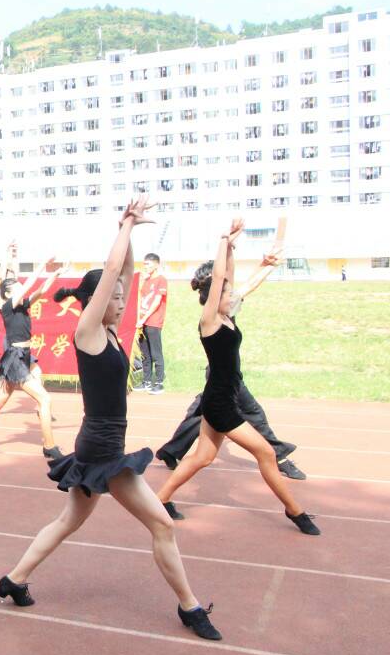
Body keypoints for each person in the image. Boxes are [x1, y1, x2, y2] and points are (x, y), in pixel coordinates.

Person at [0, 197, 222, 642]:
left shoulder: (113, 332)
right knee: (162, 524)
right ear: (96, 302)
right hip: (102, 449)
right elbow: (114, 268)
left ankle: (14, 579)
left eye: (121, 297)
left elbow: (125, 272)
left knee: (68, 521)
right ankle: (190, 607)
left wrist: (129, 234)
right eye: (113, 297)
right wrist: (126, 226)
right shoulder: (88, 331)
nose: (121, 301)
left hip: (97, 444)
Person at [154, 220, 318, 536]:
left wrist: (233, 248)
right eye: (227, 293)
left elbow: (230, 277)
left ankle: (161, 499)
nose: (233, 294)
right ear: (215, 296)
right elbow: (220, 277)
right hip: (219, 402)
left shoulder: (228, 316)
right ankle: (295, 511)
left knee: (203, 457)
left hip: (223, 395)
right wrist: (222, 239)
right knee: (266, 453)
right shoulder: (210, 320)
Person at [155, 248, 305, 480]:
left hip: (223, 376)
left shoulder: (228, 308)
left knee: (201, 414)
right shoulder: (212, 316)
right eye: (222, 283)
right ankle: (279, 456)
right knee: (252, 412)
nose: (228, 287)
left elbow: (247, 285)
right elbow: (234, 281)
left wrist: (266, 266)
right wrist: (228, 245)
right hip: (222, 377)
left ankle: (171, 450)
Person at [0, 249, 64, 456]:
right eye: (17, 288)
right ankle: (49, 446)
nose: (22, 288)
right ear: (8, 295)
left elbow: (41, 290)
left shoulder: (22, 306)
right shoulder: (8, 307)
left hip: (24, 356)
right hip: (15, 359)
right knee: (45, 399)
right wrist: (42, 263)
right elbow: (30, 285)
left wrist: (55, 274)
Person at [133, 252, 167, 394]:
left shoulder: (161, 280)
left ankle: (159, 382)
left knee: (155, 353)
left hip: (153, 321)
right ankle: (146, 381)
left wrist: (144, 318)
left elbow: (156, 301)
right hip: (141, 323)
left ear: (156, 265)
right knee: (144, 354)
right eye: (144, 264)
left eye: (148, 264)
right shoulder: (146, 281)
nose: (145, 266)